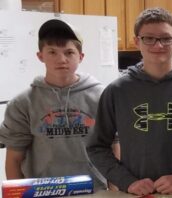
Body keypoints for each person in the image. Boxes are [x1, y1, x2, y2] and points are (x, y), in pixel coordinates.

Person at [86, 8, 172, 196]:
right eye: (149, 38)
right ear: (137, 41)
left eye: (166, 38)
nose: (158, 45)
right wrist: (127, 181)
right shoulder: (116, 91)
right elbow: (97, 147)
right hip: (136, 193)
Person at [0, 19, 106, 189]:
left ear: (81, 56)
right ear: (40, 56)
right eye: (52, 52)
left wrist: (116, 190)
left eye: (69, 52)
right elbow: (14, 159)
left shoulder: (102, 97)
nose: (61, 59)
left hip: (95, 190)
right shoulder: (23, 103)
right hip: (42, 191)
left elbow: (115, 146)